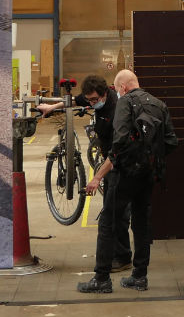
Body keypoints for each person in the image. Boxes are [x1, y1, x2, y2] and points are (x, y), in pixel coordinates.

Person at [78, 70, 177, 294]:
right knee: (141, 223)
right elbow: (171, 141)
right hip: (149, 174)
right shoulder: (159, 104)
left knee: (108, 224)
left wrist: (99, 174)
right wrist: (149, 159)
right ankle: (139, 277)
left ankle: (101, 279)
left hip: (124, 175)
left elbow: (119, 142)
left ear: (121, 88)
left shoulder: (125, 104)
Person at [44, 75, 133, 281]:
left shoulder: (116, 109)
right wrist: (53, 107)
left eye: (95, 100)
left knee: (116, 214)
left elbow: (117, 152)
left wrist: (97, 177)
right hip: (109, 160)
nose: (92, 103)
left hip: (121, 163)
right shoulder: (93, 98)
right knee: (113, 211)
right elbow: (76, 101)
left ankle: (123, 257)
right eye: (90, 100)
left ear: (104, 94)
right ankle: (121, 255)